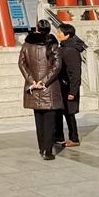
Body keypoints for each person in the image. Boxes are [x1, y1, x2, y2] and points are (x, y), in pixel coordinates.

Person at [18, 19, 63, 160]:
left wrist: (32, 80)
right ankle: (48, 151)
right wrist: (44, 81)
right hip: (49, 87)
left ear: (37, 28)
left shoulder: (27, 44)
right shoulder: (52, 43)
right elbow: (57, 65)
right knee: (49, 122)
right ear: (49, 29)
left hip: (33, 87)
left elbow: (21, 63)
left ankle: (42, 148)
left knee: (39, 121)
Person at [54, 22, 87, 148]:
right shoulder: (63, 48)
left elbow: (75, 73)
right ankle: (59, 137)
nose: (58, 34)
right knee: (60, 112)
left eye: (60, 32)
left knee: (69, 114)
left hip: (68, 87)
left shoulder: (71, 51)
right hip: (61, 86)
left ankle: (74, 138)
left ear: (67, 35)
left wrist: (73, 91)